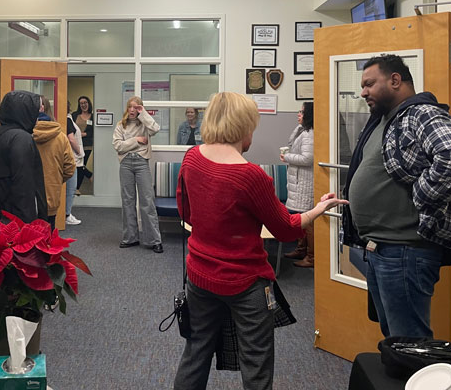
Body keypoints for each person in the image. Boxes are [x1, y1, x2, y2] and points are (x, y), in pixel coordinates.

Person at [173, 92, 347, 389]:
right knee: (255, 362)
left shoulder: (191, 158)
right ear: (242, 127)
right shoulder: (251, 176)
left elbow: (186, 213)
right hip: (245, 284)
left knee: (196, 350)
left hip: (199, 275)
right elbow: (287, 230)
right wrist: (319, 208)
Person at [343, 54, 451, 338]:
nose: (363, 91)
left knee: (410, 343)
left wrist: (421, 195)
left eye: (369, 83)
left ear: (395, 80)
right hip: (381, 248)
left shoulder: (420, 113)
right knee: (395, 338)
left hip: (405, 250)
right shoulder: (384, 120)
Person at [0, 90, 47, 223]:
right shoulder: (21, 138)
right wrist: (29, 222)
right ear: (25, 112)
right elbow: (24, 183)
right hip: (15, 215)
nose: (36, 118)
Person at [112, 96, 163, 253]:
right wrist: (136, 140)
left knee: (147, 200)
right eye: (130, 107)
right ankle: (130, 238)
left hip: (141, 163)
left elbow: (155, 129)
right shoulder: (121, 125)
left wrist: (144, 113)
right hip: (126, 163)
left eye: (136, 107)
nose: (132, 110)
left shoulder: (145, 124)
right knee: (128, 200)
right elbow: (118, 146)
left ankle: (154, 240)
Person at [281, 102, 315, 267]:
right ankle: (301, 249)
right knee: (302, 218)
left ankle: (311, 257)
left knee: (308, 222)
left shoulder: (309, 134)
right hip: (298, 181)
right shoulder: (304, 130)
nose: (298, 114)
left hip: (305, 181)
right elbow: (292, 145)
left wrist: (286, 158)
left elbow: (308, 159)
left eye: (302, 112)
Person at [33, 96, 76, 227]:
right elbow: (70, 168)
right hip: (51, 195)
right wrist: (56, 179)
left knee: (26, 239)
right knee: (48, 239)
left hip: (26, 198)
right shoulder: (61, 137)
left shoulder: (23, 135)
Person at [64, 101, 85, 225]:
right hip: (72, 159)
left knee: (69, 189)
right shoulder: (67, 120)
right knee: (71, 189)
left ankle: (67, 213)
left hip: (71, 158)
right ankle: (67, 215)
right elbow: (71, 139)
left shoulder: (67, 119)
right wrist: (80, 153)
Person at [72, 96, 94, 188]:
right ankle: (89, 175)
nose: (83, 105)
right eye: (81, 103)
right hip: (75, 144)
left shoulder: (93, 116)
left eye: (85, 102)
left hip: (87, 145)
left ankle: (77, 187)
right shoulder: (74, 115)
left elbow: (93, 131)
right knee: (77, 165)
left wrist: (84, 134)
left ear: (88, 104)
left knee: (81, 165)